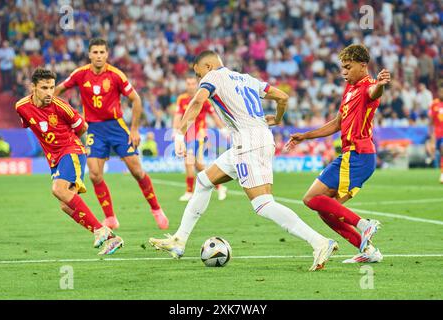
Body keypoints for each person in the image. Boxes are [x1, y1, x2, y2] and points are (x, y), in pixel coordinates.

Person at [149, 50, 338, 271]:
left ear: (208, 67)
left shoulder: (213, 77)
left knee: (263, 204)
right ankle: (179, 240)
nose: (199, 79)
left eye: (198, 73)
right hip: (261, 138)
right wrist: (277, 119)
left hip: (246, 143)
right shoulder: (247, 79)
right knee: (203, 181)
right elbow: (283, 97)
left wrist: (179, 134)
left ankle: (319, 242)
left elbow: (197, 101)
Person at [286, 44, 390, 264]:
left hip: (359, 156)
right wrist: (305, 136)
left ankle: (364, 225)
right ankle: (369, 251)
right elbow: (337, 123)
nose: (343, 72)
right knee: (325, 210)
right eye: (342, 67)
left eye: (348, 67)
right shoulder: (349, 89)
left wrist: (381, 85)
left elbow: (375, 92)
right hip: (349, 156)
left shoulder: (369, 86)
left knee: (311, 198)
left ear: (363, 66)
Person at [54, 38, 168, 230]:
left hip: (116, 127)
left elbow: (136, 100)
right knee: (95, 175)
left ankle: (156, 209)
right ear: (89, 54)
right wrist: (63, 114)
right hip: (93, 129)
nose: (98, 56)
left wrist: (134, 129)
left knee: (137, 171)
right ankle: (110, 218)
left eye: (102, 52)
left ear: (107, 54)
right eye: (95, 52)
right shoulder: (80, 74)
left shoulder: (116, 75)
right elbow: (57, 91)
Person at [15, 68, 123, 255]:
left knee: (58, 189)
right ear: (33, 87)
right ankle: (112, 238)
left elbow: (83, 128)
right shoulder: (21, 107)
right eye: (44, 88)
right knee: (65, 205)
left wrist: (67, 142)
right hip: (54, 159)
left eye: (52, 87)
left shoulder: (61, 106)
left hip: (71, 151)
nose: (49, 92)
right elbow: (30, 125)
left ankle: (100, 230)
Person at [173, 74, 229, 202]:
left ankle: (189, 191)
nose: (191, 86)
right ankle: (219, 186)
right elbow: (177, 115)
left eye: (193, 84)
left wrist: (222, 129)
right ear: (186, 85)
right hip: (186, 136)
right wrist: (175, 130)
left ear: (197, 84)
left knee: (189, 161)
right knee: (198, 165)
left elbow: (214, 115)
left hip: (199, 135)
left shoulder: (202, 98)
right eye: (188, 84)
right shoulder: (181, 99)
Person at [429, 87, 443, 183]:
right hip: (438, 134)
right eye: (440, 91)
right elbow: (431, 121)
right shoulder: (434, 104)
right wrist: (431, 136)